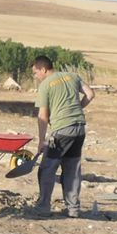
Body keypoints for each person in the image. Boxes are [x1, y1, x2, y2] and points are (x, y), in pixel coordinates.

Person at [31, 54, 95, 218]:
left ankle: (43, 208)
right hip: (79, 129)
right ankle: (73, 209)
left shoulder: (45, 85)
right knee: (72, 169)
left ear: (43, 69)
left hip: (62, 131)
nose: (35, 76)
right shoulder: (72, 76)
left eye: (35, 72)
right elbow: (90, 94)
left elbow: (43, 116)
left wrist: (41, 140)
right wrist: (77, 108)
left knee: (47, 168)